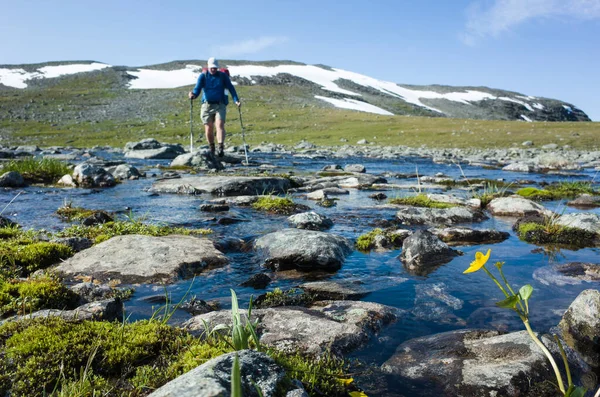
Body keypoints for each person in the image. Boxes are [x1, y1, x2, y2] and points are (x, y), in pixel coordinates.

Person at [188, 57, 240, 157]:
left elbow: (231, 88)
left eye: (215, 68)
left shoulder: (223, 76)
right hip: (207, 105)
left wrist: (236, 100)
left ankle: (220, 148)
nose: (213, 70)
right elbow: (197, 89)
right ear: (208, 67)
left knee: (219, 124)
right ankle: (212, 148)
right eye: (211, 68)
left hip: (220, 104)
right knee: (208, 128)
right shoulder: (203, 76)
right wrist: (193, 95)